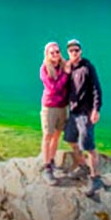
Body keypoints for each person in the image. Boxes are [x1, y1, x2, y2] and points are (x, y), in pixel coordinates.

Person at [64, 37, 103, 196]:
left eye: (76, 50)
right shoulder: (68, 68)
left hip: (85, 113)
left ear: (81, 51)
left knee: (88, 146)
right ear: (68, 52)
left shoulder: (87, 67)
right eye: (71, 50)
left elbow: (96, 89)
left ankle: (95, 179)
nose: (74, 53)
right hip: (73, 112)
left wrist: (96, 109)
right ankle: (82, 166)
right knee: (70, 140)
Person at [39, 40, 69, 185]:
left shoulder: (65, 66)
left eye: (57, 51)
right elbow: (53, 88)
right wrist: (65, 75)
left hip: (63, 106)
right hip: (49, 106)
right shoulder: (44, 69)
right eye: (52, 52)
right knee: (47, 135)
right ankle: (46, 167)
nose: (56, 54)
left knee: (57, 135)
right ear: (47, 54)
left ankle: (51, 161)